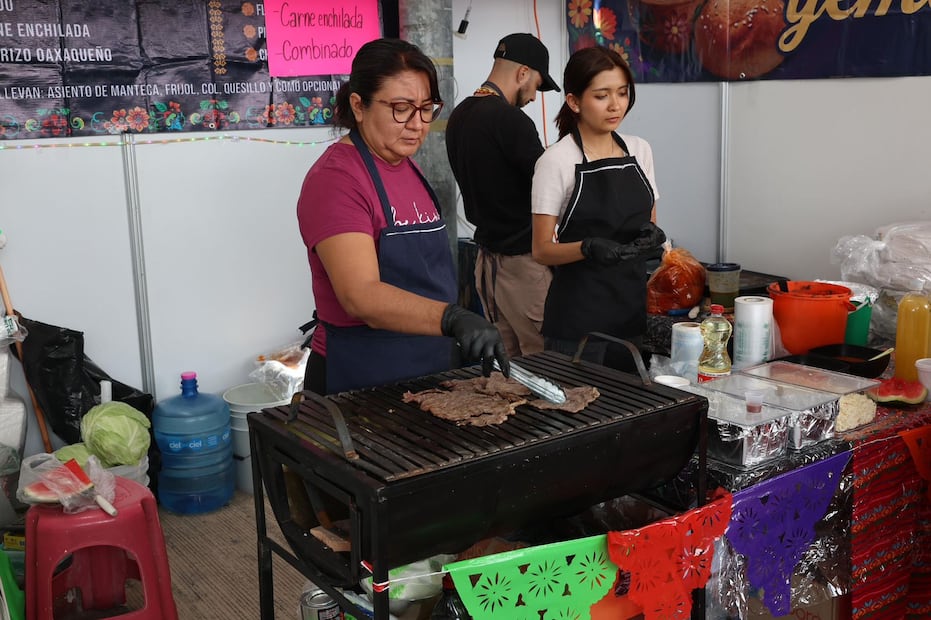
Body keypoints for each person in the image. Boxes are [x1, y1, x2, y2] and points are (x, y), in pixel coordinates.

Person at [297, 38, 509, 395]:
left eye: (427, 108)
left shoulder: (406, 167)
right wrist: (451, 317)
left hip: (427, 365)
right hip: (361, 377)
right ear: (358, 105)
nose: (417, 124)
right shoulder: (336, 179)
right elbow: (360, 296)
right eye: (401, 108)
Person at [530, 45, 666, 369]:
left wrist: (653, 236)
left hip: (630, 315)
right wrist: (587, 248)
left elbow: (650, 219)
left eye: (622, 92)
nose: (615, 105)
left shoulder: (639, 150)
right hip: (577, 323)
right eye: (602, 95)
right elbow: (541, 250)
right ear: (574, 101)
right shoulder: (557, 161)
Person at [445, 33, 560, 358]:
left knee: (508, 366)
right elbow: (551, 185)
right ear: (523, 72)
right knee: (547, 364)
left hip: (488, 266)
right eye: (537, 85)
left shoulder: (459, 116)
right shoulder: (510, 120)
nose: (534, 97)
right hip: (523, 268)